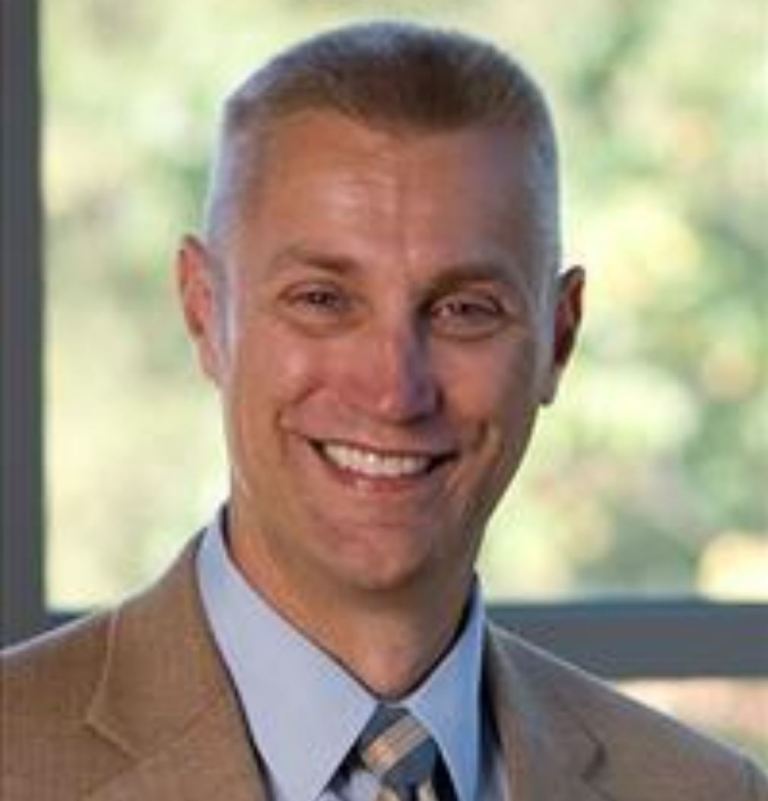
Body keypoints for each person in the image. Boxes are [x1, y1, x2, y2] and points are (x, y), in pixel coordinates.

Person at [2, 20, 766, 801]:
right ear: (205, 312)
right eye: (323, 299)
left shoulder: (704, 789)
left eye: (465, 309)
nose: (395, 390)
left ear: (559, 336)